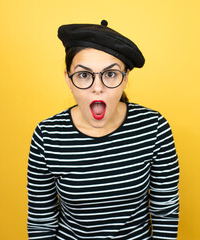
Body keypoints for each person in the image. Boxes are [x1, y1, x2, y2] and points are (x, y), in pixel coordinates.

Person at [27, 20, 180, 240]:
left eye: (110, 74)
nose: (97, 87)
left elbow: (165, 211)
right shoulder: (46, 135)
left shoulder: (154, 127)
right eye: (83, 75)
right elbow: (41, 220)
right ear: (68, 80)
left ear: (125, 78)